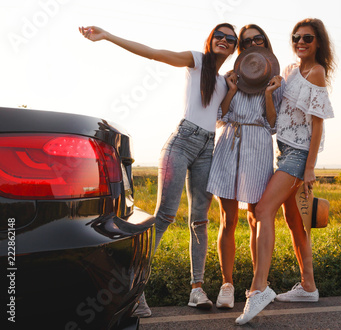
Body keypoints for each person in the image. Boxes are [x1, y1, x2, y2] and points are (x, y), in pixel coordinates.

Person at [79, 23, 238, 316]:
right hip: (181, 143)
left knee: (199, 221)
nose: (224, 40)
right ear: (210, 39)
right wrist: (109, 35)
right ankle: (134, 292)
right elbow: (155, 53)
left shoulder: (221, 81)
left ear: (234, 46)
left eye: (231, 38)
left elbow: (219, 117)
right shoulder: (196, 61)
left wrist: (231, 89)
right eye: (220, 35)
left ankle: (196, 289)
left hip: (207, 147)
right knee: (164, 216)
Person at [235, 18, 335, 325]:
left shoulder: (316, 73)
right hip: (285, 151)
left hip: (299, 156)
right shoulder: (291, 71)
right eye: (296, 37)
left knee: (263, 210)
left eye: (307, 37)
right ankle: (308, 286)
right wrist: (270, 90)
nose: (301, 41)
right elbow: (277, 115)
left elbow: (317, 124)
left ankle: (259, 288)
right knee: (295, 223)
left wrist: (309, 169)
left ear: (318, 42)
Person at [206, 24, 284, 309]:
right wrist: (231, 89)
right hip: (228, 143)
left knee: (255, 217)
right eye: (246, 41)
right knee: (228, 219)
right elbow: (219, 115)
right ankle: (227, 284)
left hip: (258, 146)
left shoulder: (276, 81)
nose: (252, 43)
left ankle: (256, 285)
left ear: (265, 41)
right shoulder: (232, 76)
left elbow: (273, 125)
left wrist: (267, 94)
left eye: (257, 39)